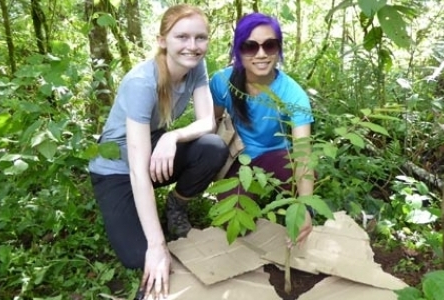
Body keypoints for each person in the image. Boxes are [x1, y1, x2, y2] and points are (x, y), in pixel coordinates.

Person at [88, 4, 228, 299]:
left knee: (213, 148)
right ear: (163, 40)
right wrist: (157, 245)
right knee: (137, 256)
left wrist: (172, 137)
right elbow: (138, 172)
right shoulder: (142, 82)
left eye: (200, 38)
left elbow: (207, 122)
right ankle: (149, 235)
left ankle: (175, 207)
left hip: (153, 152)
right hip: (117, 172)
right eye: (182, 37)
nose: (193, 46)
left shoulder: (196, 66)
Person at [209, 13, 315, 246]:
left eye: (270, 45)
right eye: (250, 46)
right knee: (235, 227)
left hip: (277, 156)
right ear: (238, 49)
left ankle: (295, 208)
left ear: (278, 49)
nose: (261, 54)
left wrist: (306, 207)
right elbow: (212, 123)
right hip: (240, 156)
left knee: (302, 177)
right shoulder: (222, 82)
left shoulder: (293, 94)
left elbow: (303, 152)